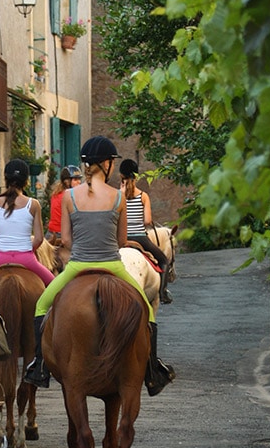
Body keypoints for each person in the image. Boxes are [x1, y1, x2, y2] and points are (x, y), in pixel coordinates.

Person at [24, 135, 173, 396]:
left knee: (41, 305)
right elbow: (122, 240)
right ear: (105, 164)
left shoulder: (69, 196)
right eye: (111, 162)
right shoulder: (118, 197)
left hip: (77, 266)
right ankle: (152, 370)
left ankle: (39, 366)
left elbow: (67, 240)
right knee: (146, 311)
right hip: (113, 266)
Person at [0, 158, 55, 302]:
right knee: (55, 287)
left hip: (0, 258)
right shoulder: (33, 204)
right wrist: (27, 252)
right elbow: (39, 238)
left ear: (5, 179)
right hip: (26, 258)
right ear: (26, 181)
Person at [120, 158, 173, 305]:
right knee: (163, 260)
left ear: (121, 176)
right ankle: (162, 294)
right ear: (136, 177)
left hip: (121, 238)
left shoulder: (118, 196)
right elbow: (147, 221)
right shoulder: (143, 196)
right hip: (140, 238)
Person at [46, 165, 81, 244]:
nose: (79, 182)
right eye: (75, 179)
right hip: (62, 235)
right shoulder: (69, 197)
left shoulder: (56, 193)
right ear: (67, 181)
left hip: (50, 233)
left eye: (79, 179)